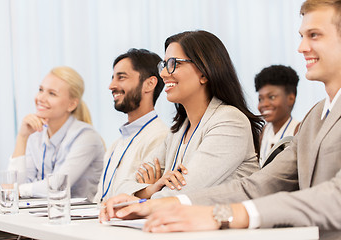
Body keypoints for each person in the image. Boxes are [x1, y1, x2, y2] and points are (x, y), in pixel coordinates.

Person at [100, 0, 341, 232]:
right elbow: (258, 186)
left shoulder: (229, 121)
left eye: (314, 35)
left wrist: (220, 214)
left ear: (205, 72)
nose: (301, 47)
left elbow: (335, 197)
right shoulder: (316, 116)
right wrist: (152, 200)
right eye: (302, 36)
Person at [101, 30, 263, 203]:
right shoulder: (177, 132)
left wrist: (144, 194)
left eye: (173, 64)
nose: (163, 74)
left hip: (226, 227)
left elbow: (183, 193)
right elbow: (121, 186)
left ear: (204, 72)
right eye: (163, 65)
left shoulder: (230, 122)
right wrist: (151, 188)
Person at [0, 66, 105, 201]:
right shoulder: (36, 135)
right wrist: (22, 137)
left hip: (78, 218)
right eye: (41, 90)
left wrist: (12, 190)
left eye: (52, 93)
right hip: (44, 216)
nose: (41, 98)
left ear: (71, 104)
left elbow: (58, 186)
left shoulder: (86, 137)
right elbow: (16, 184)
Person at [92, 49, 169, 202]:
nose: (111, 86)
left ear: (150, 83)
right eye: (113, 78)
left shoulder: (160, 138)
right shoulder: (117, 144)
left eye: (121, 77)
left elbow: (140, 197)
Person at [255, 65, 300, 167]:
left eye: (272, 97)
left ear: (291, 99)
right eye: (260, 99)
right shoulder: (263, 133)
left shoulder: (298, 131)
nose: (264, 104)